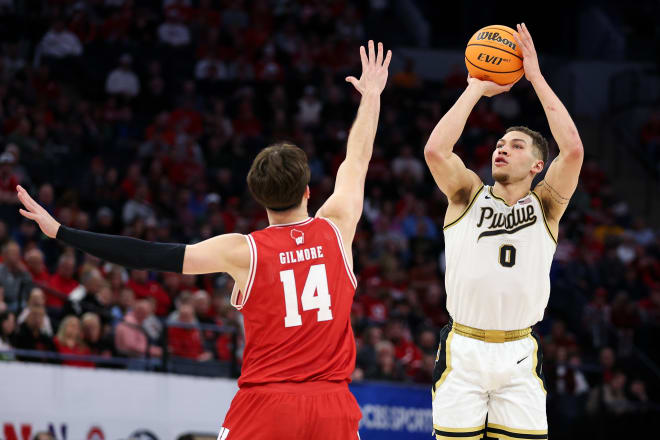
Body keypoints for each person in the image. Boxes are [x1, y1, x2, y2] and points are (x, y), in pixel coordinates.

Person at [16, 40, 391, 440]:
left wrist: (62, 232)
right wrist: (370, 96)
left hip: (268, 405)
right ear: (308, 191)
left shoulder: (242, 250)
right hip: (333, 406)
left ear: (258, 198)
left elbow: (149, 255)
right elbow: (358, 158)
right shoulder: (337, 227)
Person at [423, 24, 584, 439]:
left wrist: (535, 77)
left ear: (536, 166)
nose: (501, 148)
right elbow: (436, 151)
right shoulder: (467, 195)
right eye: (500, 142)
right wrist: (475, 88)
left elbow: (573, 150)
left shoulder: (546, 205)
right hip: (465, 348)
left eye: (515, 145)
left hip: (518, 352)